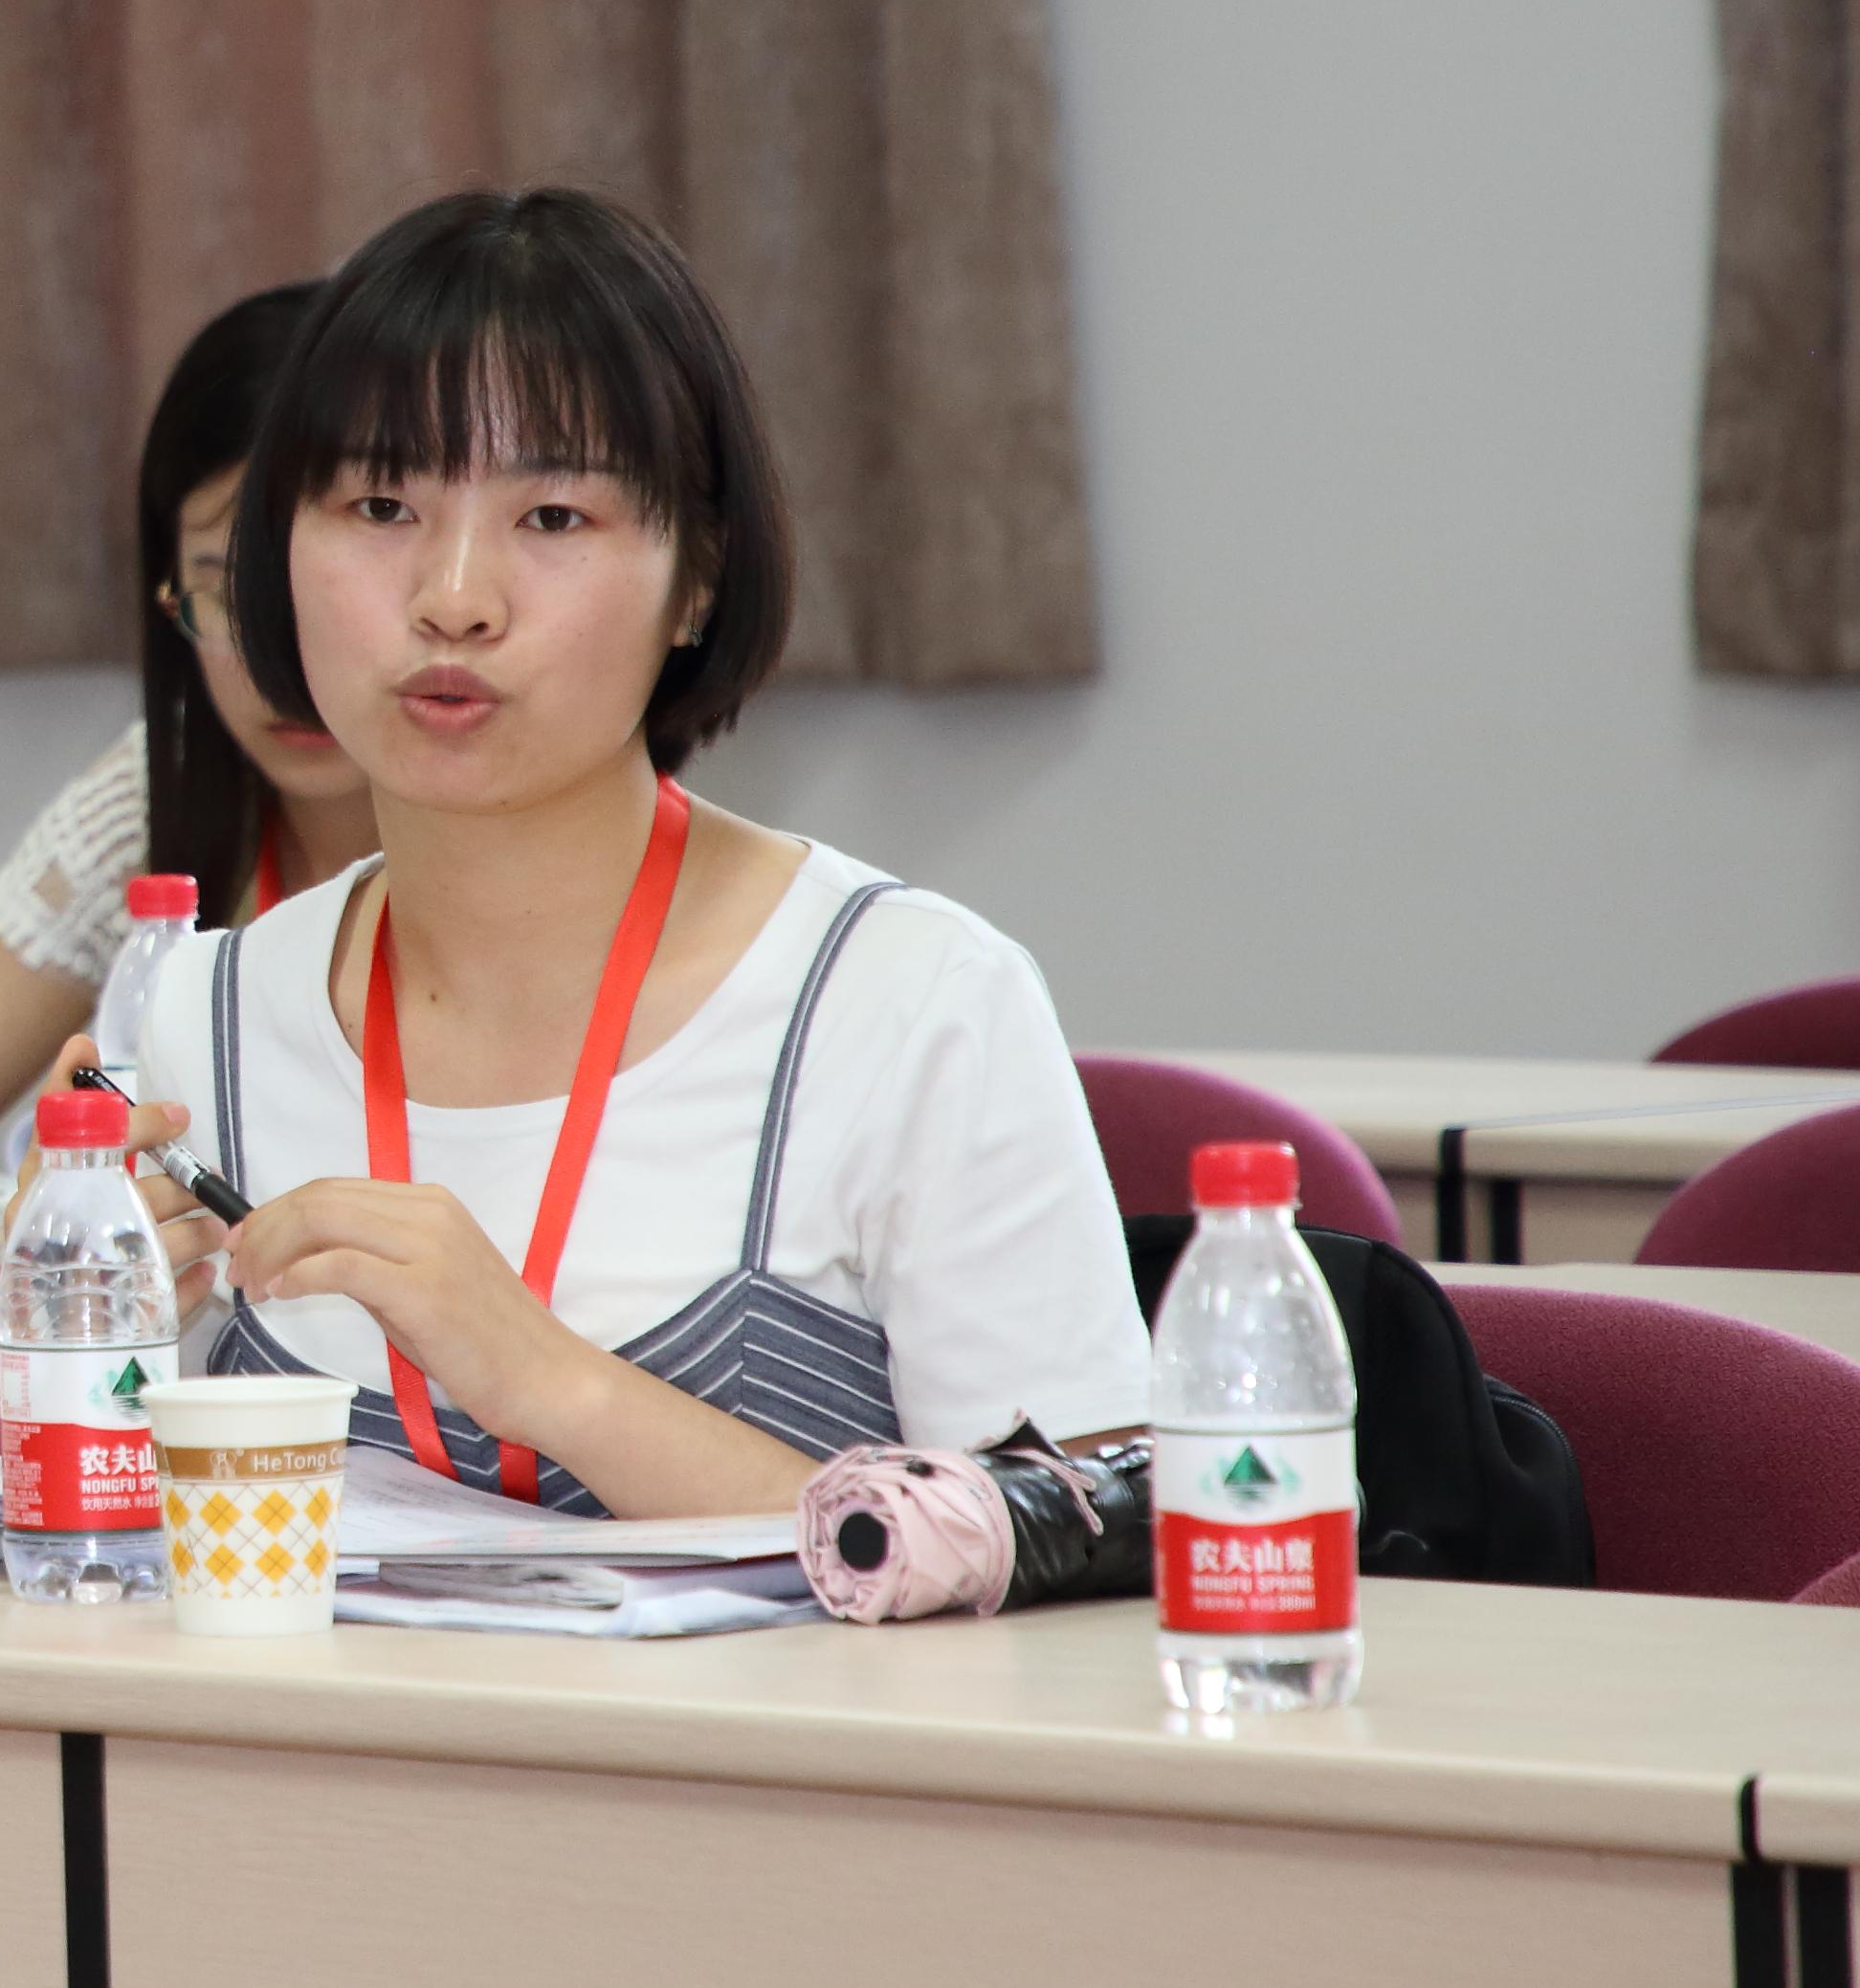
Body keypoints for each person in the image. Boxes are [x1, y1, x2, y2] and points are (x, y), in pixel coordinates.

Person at [112, 188, 1142, 1519]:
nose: (452, 597)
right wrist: (71, 1336)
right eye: (378, 503)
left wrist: (551, 1381)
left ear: (696, 577)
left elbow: (1091, 1555)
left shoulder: (906, 1001)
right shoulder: (202, 1020)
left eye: (552, 517)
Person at [0, 283, 383, 1165]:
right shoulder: (149, 800)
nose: (278, 665)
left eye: (318, 594)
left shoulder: (514, 818)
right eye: (224, 591)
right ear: (167, 594)